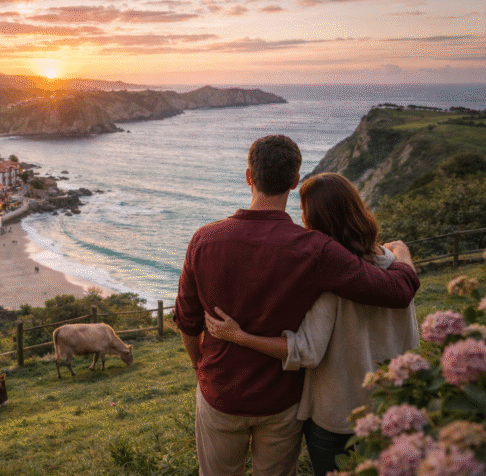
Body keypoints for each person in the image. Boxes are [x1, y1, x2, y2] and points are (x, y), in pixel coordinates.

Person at [173, 135, 419, 476]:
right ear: (294, 182)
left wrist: (199, 366)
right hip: (281, 398)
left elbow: (187, 322)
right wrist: (402, 253)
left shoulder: (204, 239)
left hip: (221, 391)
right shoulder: (316, 249)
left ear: (248, 177)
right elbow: (397, 291)